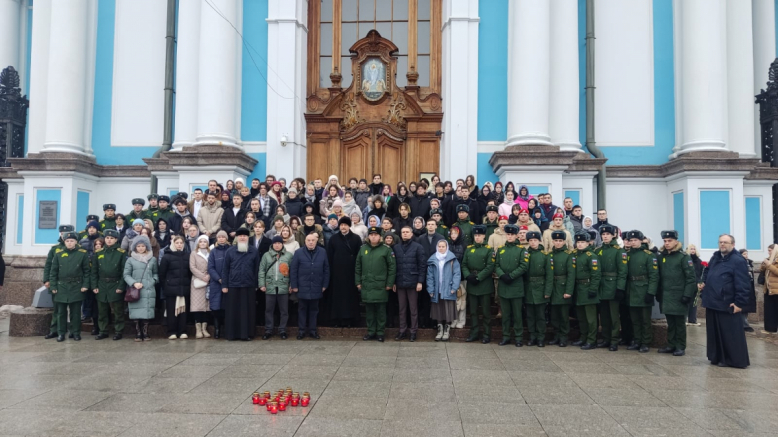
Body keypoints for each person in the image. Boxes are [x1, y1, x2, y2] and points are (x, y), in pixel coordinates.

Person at [701, 234, 751, 368]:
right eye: (720, 242)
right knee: (715, 333)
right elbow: (707, 271)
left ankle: (732, 359)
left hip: (727, 303)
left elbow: (743, 283)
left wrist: (739, 303)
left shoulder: (738, 260)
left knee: (729, 334)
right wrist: (703, 282)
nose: (722, 244)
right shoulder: (715, 257)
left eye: (725, 242)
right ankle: (717, 356)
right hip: (712, 301)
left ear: (733, 245)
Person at [656, 230, 697, 357]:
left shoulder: (683, 257)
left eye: (670, 241)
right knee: (670, 322)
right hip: (666, 295)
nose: (667, 243)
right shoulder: (662, 257)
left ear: (676, 242)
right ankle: (671, 344)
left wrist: (687, 294)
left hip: (679, 295)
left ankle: (680, 346)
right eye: (665, 241)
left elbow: (691, 278)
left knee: (679, 323)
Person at [356, 226, 396, 342]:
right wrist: (358, 281)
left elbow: (392, 268)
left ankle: (380, 332)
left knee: (381, 311)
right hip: (367, 285)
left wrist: (389, 283)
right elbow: (358, 266)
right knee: (369, 310)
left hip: (380, 285)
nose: (373, 237)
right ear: (368, 236)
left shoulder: (386, 249)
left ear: (380, 236)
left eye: (376, 235)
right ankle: (371, 332)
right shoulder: (363, 249)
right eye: (371, 235)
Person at [49, 232, 90, 342]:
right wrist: (53, 286)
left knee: (75, 312)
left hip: (76, 286)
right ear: (64, 242)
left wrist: (85, 285)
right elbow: (53, 272)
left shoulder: (82, 254)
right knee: (61, 312)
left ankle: (75, 332)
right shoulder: (58, 254)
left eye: (72, 241)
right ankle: (61, 333)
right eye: (67, 241)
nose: (69, 243)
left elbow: (87, 271)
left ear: (76, 242)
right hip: (61, 286)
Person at [221, 228, 260, 341]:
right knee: (233, 311)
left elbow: (257, 269)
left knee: (247, 312)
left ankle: (246, 334)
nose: (242, 238)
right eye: (240, 236)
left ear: (248, 238)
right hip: (233, 285)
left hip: (248, 285)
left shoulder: (254, 251)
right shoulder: (230, 251)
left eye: (245, 236)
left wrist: (256, 284)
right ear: (237, 238)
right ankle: (231, 335)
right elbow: (225, 269)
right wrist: (224, 285)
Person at [323, 217, 363, 327]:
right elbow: (329, 256)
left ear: (349, 226)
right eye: (341, 225)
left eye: (345, 225)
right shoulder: (334, 238)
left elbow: (359, 256)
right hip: (336, 273)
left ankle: (349, 319)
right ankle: (336, 319)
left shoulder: (356, 238)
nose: (343, 227)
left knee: (350, 297)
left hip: (351, 272)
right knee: (337, 297)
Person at [495, 224, 530, 347]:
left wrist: (511, 276)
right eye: (508, 234)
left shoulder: (521, 250)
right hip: (504, 285)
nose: (509, 236)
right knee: (505, 315)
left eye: (512, 234)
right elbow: (496, 265)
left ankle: (518, 337)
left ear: (516, 236)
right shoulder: (500, 250)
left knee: (517, 315)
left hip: (516, 286)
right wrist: (502, 275)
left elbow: (524, 266)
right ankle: (506, 336)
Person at [291, 233, 330, 339]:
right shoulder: (298, 252)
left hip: (317, 285)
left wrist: (325, 285)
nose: (311, 242)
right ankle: (301, 331)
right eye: (308, 240)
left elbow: (326, 269)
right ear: (305, 241)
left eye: (313, 240)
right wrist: (294, 285)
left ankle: (313, 331)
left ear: (316, 241)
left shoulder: (322, 252)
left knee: (314, 310)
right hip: (302, 286)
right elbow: (293, 270)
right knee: (302, 309)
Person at [90, 229, 127, 341]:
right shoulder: (99, 253)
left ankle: (119, 331)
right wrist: (94, 286)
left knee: (118, 310)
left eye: (111, 238)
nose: (109, 240)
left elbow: (124, 272)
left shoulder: (121, 253)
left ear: (116, 240)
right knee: (102, 310)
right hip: (101, 284)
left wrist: (121, 286)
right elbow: (94, 271)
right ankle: (103, 331)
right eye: (107, 238)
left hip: (115, 283)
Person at [625, 230, 659, 353]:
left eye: (635, 240)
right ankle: (637, 340)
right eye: (631, 240)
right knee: (634, 319)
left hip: (644, 289)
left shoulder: (648, 255)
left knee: (645, 320)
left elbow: (654, 276)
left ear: (641, 241)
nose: (633, 242)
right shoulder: (627, 255)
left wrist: (651, 292)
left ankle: (645, 342)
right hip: (631, 290)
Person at [595, 225, 627, 351]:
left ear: (613, 235)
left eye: (608, 234)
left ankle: (614, 340)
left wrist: (620, 288)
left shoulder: (619, 251)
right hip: (601, 286)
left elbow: (623, 271)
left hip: (613, 286)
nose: (605, 236)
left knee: (614, 316)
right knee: (604, 316)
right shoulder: (598, 250)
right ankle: (606, 338)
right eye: (603, 234)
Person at [463, 225, 496, 343]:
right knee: (473, 312)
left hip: (484, 284)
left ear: (484, 236)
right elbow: (464, 264)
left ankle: (486, 334)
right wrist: (468, 275)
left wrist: (479, 277)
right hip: (472, 283)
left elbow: (490, 266)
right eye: (475, 235)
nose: (477, 237)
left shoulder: (489, 249)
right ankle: (474, 333)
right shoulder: (469, 249)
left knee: (486, 312)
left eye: (479, 235)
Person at [42, 225, 77, 340]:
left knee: (74, 310)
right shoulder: (55, 249)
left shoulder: (78, 249)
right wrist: (46, 279)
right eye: (62, 233)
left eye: (66, 233)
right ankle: (55, 330)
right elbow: (48, 265)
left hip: (73, 284)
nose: (64, 235)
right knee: (58, 309)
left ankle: (72, 331)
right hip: (57, 282)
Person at [393, 226, 426, 341]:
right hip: (400, 282)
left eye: (407, 232)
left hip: (413, 282)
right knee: (402, 309)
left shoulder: (418, 247)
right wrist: (394, 282)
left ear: (411, 234)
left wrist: (420, 281)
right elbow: (394, 266)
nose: (405, 234)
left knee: (413, 309)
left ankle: (413, 331)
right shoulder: (396, 247)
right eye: (403, 232)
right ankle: (402, 331)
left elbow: (422, 265)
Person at [123, 235, 159, 342]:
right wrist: (134, 283)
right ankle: (138, 333)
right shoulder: (130, 260)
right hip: (136, 290)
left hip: (148, 290)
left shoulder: (152, 259)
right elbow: (126, 275)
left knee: (146, 312)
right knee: (136, 312)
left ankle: (145, 332)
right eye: (138, 246)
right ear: (135, 247)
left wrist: (153, 281)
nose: (141, 248)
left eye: (143, 246)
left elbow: (156, 273)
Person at [570, 231, 600, 350]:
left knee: (590, 318)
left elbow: (596, 275)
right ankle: (583, 337)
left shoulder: (591, 256)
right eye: (578, 242)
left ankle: (591, 340)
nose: (580, 244)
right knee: (581, 317)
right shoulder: (575, 254)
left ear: (588, 243)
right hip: (578, 289)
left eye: (583, 242)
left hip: (588, 287)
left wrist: (593, 289)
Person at [259, 236, 293, 340]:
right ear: (272, 244)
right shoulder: (266, 255)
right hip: (270, 286)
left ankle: (282, 330)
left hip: (283, 286)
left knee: (284, 311)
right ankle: (268, 330)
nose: (277, 245)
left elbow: (292, 271)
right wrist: (262, 284)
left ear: (282, 244)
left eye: (279, 243)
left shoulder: (289, 255)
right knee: (269, 310)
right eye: (275, 243)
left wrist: (291, 284)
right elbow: (262, 270)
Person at [426, 239, 460, 341]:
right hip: (437, 289)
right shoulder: (433, 259)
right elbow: (429, 277)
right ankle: (440, 330)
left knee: (448, 310)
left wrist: (454, 287)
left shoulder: (452, 259)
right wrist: (430, 289)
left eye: (443, 247)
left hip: (449, 289)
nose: (441, 248)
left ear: (447, 247)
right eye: (439, 247)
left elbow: (457, 274)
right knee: (438, 310)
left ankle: (447, 330)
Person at [159, 236, 192, 340]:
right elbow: (162, 274)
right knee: (171, 311)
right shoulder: (166, 257)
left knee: (183, 312)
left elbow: (189, 273)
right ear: (173, 244)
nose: (179, 245)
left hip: (184, 288)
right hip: (171, 289)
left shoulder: (187, 256)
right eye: (177, 243)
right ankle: (172, 331)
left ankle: (183, 331)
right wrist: (166, 286)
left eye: (181, 243)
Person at [547, 230, 575, 347]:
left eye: (560, 240)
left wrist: (568, 291)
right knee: (554, 316)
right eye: (556, 240)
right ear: (552, 241)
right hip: (553, 288)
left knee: (563, 316)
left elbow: (571, 275)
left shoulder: (568, 255)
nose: (558, 243)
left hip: (563, 287)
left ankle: (563, 337)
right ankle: (556, 336)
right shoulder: (549, 255)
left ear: (564, 242)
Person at [524, 231, 552, 347]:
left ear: (539, 241)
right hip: (528, 288)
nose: (533, 243)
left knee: (540, 315)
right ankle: (532, 336)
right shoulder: (525, 254)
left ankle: (541, 337)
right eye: (530, 240)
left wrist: (547, 291)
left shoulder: (545, 255)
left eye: (535, 240)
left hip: (541, 287)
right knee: (530, 315)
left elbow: (549, 275)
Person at [207, 230, 230, 339]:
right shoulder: (213, 252)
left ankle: (226, 330)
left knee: (226, 307)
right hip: (216, 283)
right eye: (219, 237)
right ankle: (217, 330)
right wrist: (218, 279)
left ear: (226, 238)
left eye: (223, 237)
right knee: (216, 308)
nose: (221, 239)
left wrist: (226, 280)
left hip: (228, 283)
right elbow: (210, 268)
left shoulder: (230, 250)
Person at [189, 235, 212, 339]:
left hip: (208, 281)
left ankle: (204, 328)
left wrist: (209, 276)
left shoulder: (210, 253)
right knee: (197, 306)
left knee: (206, 307)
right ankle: (198, 329)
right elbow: (192, 267)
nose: (203, 243)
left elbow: (213, 266)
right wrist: (202, 276)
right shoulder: (194, 253)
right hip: (197, 282)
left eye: (205, 241)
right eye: (201, 241)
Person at [739, 249, 757, 333]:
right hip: (743, 287)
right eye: (744, 254)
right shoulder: (739, 263)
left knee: (747, 307)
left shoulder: (749, 263)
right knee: (743, 307)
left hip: (749, 287)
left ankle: (744, 323)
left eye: (746, 254)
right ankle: (744, 325)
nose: (746, 256)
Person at [761, 244, 778, 333]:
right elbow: (763, 271)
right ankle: (770, 328)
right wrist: (764, 265)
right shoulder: (770, 259)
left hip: (776, 289)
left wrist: (769, 265)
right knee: (769, 310)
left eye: (770, 250)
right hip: (768, 288)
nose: (768, 252)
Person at [687, 243, 704, 326]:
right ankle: (685, 318)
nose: (692, 250)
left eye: (694, 249)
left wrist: (699, 282)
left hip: (696, 284)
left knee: (694, 303)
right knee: (687, 302)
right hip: (687, 284)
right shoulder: (686, 260)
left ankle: (692, 319)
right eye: (691, 249)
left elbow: (700, 273)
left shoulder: (699, 261)